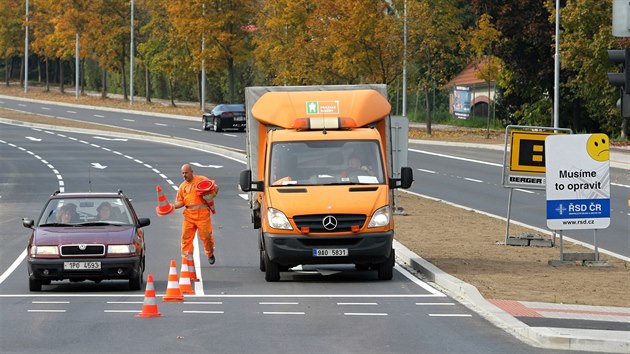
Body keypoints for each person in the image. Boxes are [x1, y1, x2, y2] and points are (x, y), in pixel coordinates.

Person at [173, 163, 217, 265]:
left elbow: (215, 188)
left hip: (203, 216)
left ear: (192, 172)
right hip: (189, 216)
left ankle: (210, 254)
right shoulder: (182, 187)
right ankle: (186, 260)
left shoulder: (201, 179)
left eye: (186, 173)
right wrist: (172, 206)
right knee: (186, 239)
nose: (184, 175)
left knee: (206, 237)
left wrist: (211, 194)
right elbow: (180, 202)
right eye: (182, 173)